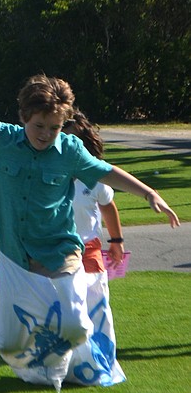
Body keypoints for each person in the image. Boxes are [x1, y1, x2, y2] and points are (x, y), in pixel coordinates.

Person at [0, 74, 180, 387]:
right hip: (16, 259)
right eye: (39, 126)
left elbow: (106, 171)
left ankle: (62, 364)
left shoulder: (71, 150)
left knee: (76, 327)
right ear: (24, 118)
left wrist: (149, 193)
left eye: (55, 127)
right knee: (7, 342)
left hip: (62, 252)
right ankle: (11, 336)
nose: (47, 135)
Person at [62, 110, 125, 272]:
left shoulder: (96, 178)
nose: (67, 146)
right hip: (56, 251)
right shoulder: (46, 176)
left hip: (88, 249)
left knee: (95, 296)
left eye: (73, 140)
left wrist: (116, 241)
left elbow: (107, 206)